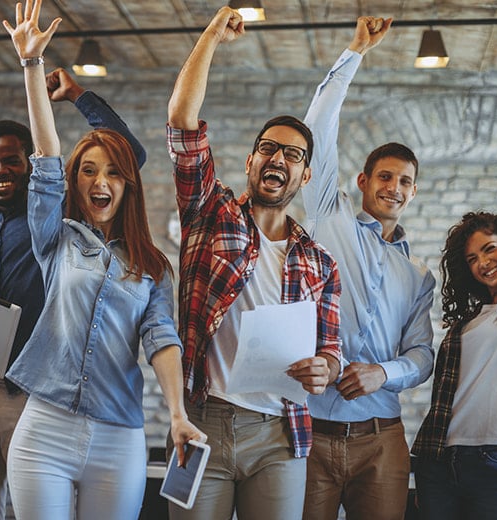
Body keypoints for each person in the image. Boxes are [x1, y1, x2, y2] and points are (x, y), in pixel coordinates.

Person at [0, 1, 205, 518]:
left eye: (113, 172)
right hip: (43, 428)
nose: (100, 181)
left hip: (118, 436)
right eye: (88, 171)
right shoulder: (57, 238)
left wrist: (177, 414)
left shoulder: (153, 267)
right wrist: (31, 67)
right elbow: (46, 155)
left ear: (127, 184)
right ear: (77, 182)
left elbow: (162, 338)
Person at [0, 68, 147, 520]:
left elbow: (132, 155)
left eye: (12, 160)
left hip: (31, 397)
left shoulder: (61, 226)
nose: (1, 170)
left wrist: (77, 95)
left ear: (33, 162)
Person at [166, 6, 342, 519]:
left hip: (280, 432)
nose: (278, 160)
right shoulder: (209, 211)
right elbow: (182, 121)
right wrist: (213, 37)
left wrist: (324, 369)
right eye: (268, 149)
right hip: (202, 422)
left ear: (305, 176)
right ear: (250, 162)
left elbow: (330, 352)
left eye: (292, 155)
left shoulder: (320, 262)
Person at [301, 17, 436, 520]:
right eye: (385, 176)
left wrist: (385, 372)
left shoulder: (420, 275)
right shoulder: (328, 217)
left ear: (413, 192)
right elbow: (317, 130)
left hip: (383, 441)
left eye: (405, 182)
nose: (394, 188)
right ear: (362, 180)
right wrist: (355, 51)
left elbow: (422, 355)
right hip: (311, 432)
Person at [411, 99, 497, 520]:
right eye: (472, 259)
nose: (483, 262)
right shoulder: (467, 321)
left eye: (489, 249)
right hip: (438, 457)